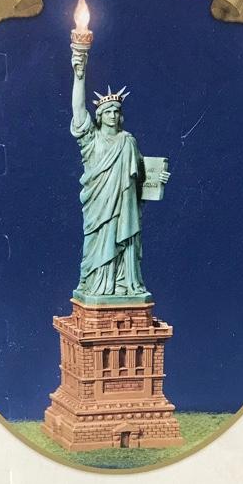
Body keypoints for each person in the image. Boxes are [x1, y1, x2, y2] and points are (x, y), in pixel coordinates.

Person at [69, 45, 169, 300]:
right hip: (99, 208)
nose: (113, 115)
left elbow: (140, 181)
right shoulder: (91, 141)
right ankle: (97, 285)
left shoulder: (128, 141)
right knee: (96, 245)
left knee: (125, 243)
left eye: (116, 111)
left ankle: (123, 283)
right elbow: (78, 112)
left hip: (124, 208)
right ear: (99, 116)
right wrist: (79, 75)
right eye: (107, 111)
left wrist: (157, 180)